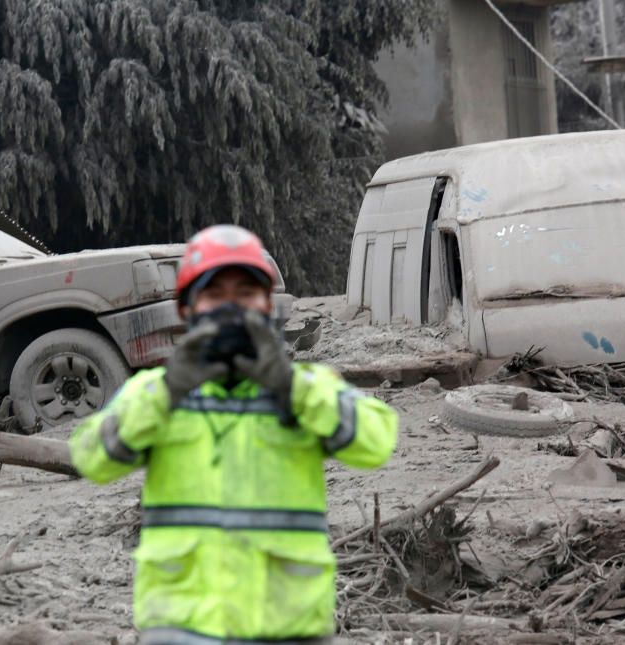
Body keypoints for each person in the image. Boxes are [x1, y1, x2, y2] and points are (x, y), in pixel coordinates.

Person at [70, 224, 399, 644]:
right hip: (184, 627)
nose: (232, 309)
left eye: (245, 295)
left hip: (286, 626)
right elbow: (91, 458)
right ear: (188, 311)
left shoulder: (306, 388)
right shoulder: (155, 394)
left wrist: (288, 386)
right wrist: (170, 390)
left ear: (266, 306)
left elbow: (376, 443)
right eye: (215, 296)